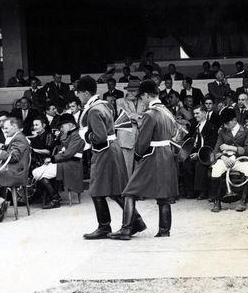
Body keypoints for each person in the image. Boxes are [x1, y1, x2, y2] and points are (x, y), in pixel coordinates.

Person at [75, 76, 143, 240]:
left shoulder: (94, 110)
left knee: (96, 190)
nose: (77, 96)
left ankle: (105, 226)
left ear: (85, 92)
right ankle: (136, 221)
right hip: (112, 150)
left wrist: (85, 136)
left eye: (78, 93)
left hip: (104, 151)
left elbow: (99, 137)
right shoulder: (103, 105)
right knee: (115, 191)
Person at [112, 80, 178, 240]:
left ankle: (127, 229)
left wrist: (137, 155)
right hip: (166, 153)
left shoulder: (150, 114)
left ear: (147, 95)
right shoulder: (166, 112)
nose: (142, 100)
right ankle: (164, 230)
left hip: (152, 154)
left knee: (129, 191)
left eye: (142, 97)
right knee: (163, 195)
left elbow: (142, 143)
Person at [32, 114, 85, 209]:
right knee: (36, 172)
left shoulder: (76, 135)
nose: (61, 128)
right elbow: (61, 149)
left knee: (40, 174)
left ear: (70, 124)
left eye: (62, 126)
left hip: (71, 165)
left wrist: (52, 159)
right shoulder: (70, 134)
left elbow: (68, 154)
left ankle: (55, 199)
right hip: (64, 163)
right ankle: (53, 197)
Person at [209, 107, 248, 212]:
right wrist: (223, 157)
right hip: (225, 159)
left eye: (227, 123)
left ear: (234, 120)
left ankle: (243, 201)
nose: (225, 126)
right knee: (216, 170)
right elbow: (216, 150)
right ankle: (217, 202)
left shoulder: (247, 131)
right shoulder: (222, 132)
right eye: (224, 124)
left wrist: (231, 148)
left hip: (240, 160)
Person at [182, 106, 218, 199]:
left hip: (206, 154)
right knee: (186, 164)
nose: (195, 115)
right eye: (194, 113)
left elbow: (212, 144)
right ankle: (190, 191)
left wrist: (198, 154)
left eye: (197, 113)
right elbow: (189, 138)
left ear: (204, 113)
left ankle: (202, 191)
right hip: (193, 152)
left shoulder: (212, 127)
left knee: (200, 165)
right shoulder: (194, 125)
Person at [116, 80, 146, 177]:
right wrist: (139, 118)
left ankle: (137, 189)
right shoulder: (120, 101)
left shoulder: (144, 102)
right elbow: (125, 116)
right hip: (126, 139)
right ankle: (126, 190)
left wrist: (136, 117)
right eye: (129, 90)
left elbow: (147, 116)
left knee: (140, 167)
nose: (130, 93)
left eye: (133, 91)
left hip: (140, 138)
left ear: (139, 92)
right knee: (126, 167)